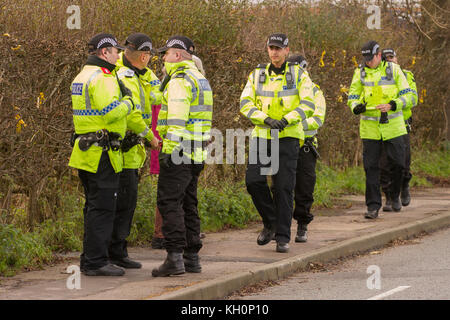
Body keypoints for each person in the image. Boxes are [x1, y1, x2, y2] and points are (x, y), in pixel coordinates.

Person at [69, 33, 138, 276]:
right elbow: (110, 113)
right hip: (102, 153)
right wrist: (130, 102)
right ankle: (96, 262)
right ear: (104, 52)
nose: (119, 55)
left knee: (92, 206)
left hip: (86, 151)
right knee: (103, 208)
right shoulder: (104, 78)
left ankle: (89, 258)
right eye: (115, 50)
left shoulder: (82, 75)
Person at [240, 33, 315, 253]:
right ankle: (271, 222)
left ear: (286, 50)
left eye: (278, 48)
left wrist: (286, 120)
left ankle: (283, 237)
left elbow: (308, 103)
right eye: (271, 48)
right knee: (253, 181)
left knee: (283, 187)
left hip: (288, 137)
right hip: (263, 136)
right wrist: (266, 119)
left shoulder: (299, 74)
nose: (274, 52)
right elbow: (245, 103)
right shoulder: (257, 74)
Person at [152, 36, 213, 276]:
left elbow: (176, 119)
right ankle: (192, 258)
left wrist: (170, 150)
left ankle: (174, 258)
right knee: (189, 203)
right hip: (196, 152)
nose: (163, 59)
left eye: (165, 54)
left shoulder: (179, 81)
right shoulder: (200, 78)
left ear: (177, 55)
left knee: (170, 202)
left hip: (178, 152)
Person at [110, 33, 161, 268]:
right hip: (122, 149)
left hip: (132, 151)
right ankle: (115, 252)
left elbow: (159, 95)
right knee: (120, 203)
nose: (150, 58)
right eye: (149, 54)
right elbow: (131, 115)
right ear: (144, 55)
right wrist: (151, 137)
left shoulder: (145, 75)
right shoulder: (122, 75)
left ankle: (119, 250)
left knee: (127, 202)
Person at [347, 40, 414, 219]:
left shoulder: (394, 70)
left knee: (399, 164)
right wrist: (356, 106)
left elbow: (409, 96)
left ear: (379, 55)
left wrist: (394, 104)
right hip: (370, 128)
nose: (368, 62)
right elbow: (352, 95)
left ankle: (394, 195)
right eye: (365, 59)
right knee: (371, 168)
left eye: (371, 58)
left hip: (394, 126)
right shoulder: (359, 73)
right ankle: (373, 206)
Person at [286, 54, 326, 243]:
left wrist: (293, 123)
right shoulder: (281, 90)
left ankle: (302, 225)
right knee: (281, 187)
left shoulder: (315, 92)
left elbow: (317, 120)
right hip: (283, 143)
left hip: (305, 146)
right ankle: (280, 226)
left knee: (304, 188)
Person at [379, 48, 418, 211]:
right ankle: (389, 196)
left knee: (403, 161)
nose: (390, 61)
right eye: (386, 59)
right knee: (384, 163)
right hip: (384, 125)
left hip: (402, 123)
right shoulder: (378, 75)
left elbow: (413, 98)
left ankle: (404, 184)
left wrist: (397, 104)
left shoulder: (406, 75)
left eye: (391, 58)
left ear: (397, 58)